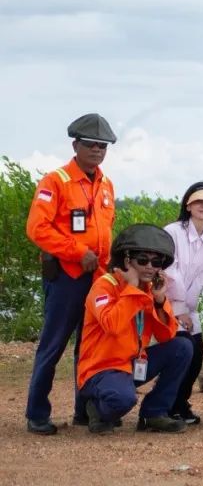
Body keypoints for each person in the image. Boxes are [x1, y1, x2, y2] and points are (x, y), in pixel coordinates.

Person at [25, 113, 118, 435]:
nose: (97, 150)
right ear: (76, 145)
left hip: (97, 279)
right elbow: (37, 228)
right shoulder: (56, 181)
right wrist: (78, 252)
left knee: (90, 346)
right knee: (53, 346)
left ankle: (84, 411)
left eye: (102, 146)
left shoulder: (106, 185)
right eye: (91, 144)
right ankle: (37, 413)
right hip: (66, 277)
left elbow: (106, 232)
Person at [77, 224, 192, 434]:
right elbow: (112, 325)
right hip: (101, 369)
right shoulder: (104, 285)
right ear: (127, 261)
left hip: (132, 364)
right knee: (122, 400)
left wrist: (159, 301)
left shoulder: (148, 289)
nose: (150, 267)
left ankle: (154, 413)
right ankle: (97, 408)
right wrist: (131, 289)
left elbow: (166, 335)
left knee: (182, 346)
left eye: (156, 262)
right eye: (143, 260)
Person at [163, 181, 203, 425]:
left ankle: (181, 403)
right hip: (164, 302)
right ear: (188, 205)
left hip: (189, 307)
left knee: (197, 353)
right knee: (182, 350)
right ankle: (167, 404)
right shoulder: (172, 232)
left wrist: (187, 310)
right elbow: (170, 271)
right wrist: (179, 309)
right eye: (198, 201)